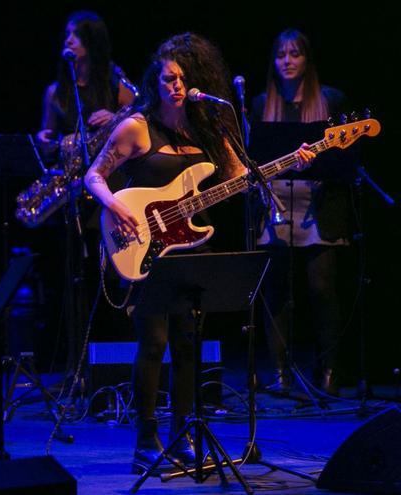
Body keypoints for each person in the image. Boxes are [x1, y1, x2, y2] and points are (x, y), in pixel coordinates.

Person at [84, 33, 314, 473]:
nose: (176, 85)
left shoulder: (208, 128)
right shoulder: (136, 126)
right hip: (144, 243)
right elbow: (94, 177)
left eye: (184, 78)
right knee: (153, 343)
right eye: (169, 77)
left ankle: (181, 435)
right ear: (156, 80)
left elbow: (243, 176)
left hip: (190, 246)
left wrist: (292, 162)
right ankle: (145, 440)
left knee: (189, 343)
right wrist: (115, 205)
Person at [252, 29, 350, 395]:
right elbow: (254, 156)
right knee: (275, 290)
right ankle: (278, 371)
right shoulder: (263, 103)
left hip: (316, 205)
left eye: (295, 54)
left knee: (321, 289)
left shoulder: (330, 100)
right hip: (275, 201)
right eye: (281, 55)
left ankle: (328, 371)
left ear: (307, 59)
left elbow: (345, 160)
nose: (288, 61)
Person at [36, 10, 136, 155]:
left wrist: (115, 120)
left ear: (93, 40)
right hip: (69, 169)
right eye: (67, 34)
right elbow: (47, 135)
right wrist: (42, 139)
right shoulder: (54, 92)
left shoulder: (117, 84)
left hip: (108, 168)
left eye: (76, 34)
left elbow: (138, 125)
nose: (68, 40)